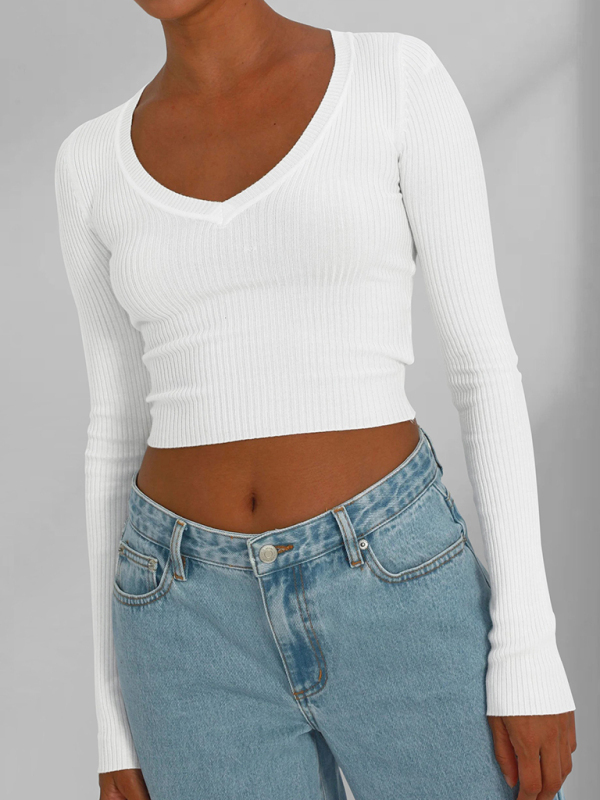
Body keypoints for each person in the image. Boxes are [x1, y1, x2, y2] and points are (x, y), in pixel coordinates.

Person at [53, 2, 577, 799]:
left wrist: (527, 650)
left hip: (396, 590)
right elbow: (114, 435)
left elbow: (482, 370)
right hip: (185, 628)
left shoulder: (393, 78)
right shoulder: (90, 162)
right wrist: (110, 717)